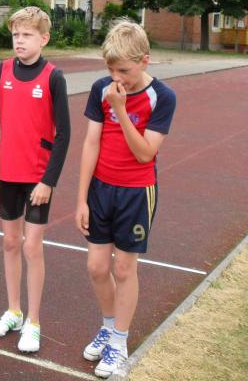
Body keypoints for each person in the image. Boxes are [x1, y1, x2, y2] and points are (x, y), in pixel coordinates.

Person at [75, 20, 176, 379]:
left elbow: (145, 152)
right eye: (111, 69)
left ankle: (120, 341)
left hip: (136, 192)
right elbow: (91, 143)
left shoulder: (162, 96)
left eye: (124, 70)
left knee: (123, 269)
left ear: (145, 60)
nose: (117, 77)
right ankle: (107, 327)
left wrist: (120, 109)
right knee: (96, 267)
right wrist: (81, 198)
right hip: (100, 190)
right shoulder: (100, 89)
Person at [0, 6, 70, 352]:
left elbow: (64, 134)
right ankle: (14, 311)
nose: (20, 40)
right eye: (16, 34)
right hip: (10, 173)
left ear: (44, 39)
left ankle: (33, 321)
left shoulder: (53, 77)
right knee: (9, 242)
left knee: (32, 247)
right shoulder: (0, 71)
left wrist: (49, 181)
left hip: (38, 178)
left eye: (27, 35)